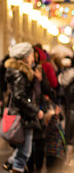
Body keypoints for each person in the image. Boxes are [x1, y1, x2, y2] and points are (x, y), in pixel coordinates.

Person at [3, 43, 44, 173]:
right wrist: (36, 111)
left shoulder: (21, 72)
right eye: (31, 55)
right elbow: (19, 97)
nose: (33, 58)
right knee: (25, 152)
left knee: (23, 150)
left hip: (24, 116)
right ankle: (14, 167)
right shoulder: (19, 73)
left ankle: (10, 164)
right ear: (25, 57)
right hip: (23, 117)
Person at [44, 105, 66, 173]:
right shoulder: (49, 127)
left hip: (59, 156)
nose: (57, 120)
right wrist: (55, 115)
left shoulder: (58, 128)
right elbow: (53, 123)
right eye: (54, 118)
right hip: (52, 156)